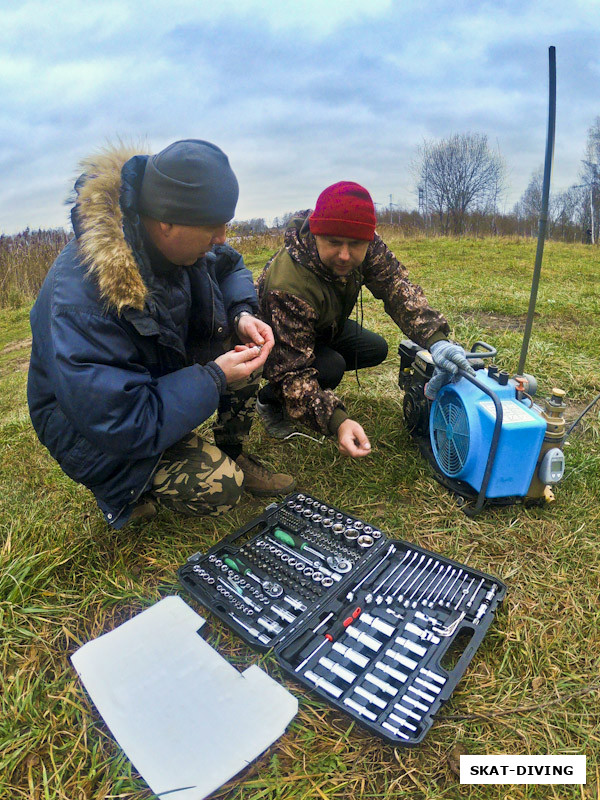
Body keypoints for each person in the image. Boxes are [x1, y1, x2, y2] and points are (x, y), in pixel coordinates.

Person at [27, 139, 294, 530]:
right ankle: (123, 492)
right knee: (219, 487)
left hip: (148, 383)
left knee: (249, 351)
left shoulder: (180, 242)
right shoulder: (86, 293)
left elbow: (230, 264)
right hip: (91, 426)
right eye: (213, 226)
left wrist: (240, 314)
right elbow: (120, 420)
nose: (222, 236)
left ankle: (230, 450)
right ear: (166, 221)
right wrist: (215, 376)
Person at [256, 181, 473, 457]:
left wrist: (437, 341)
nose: (345, 255)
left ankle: (315, 366)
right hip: (278, 342)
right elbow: (291, 372)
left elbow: (396, 287)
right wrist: (337, 421)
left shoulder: (366, 243)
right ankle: (268, 401)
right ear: (316, 234)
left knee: (375, 348)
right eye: (334, 243)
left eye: (355, 245)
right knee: (331, 367)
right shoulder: (288, 285)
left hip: (323, 325)